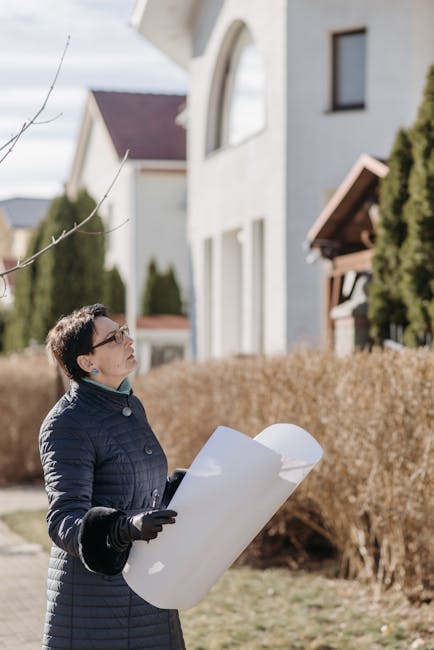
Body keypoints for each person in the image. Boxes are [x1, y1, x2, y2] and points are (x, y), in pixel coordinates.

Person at [39, 303, 186, 650]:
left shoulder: (129, 405)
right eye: (114, 338)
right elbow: (63, 520)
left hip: (147, 593)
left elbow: (133, 489)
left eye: (123, 332)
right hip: (94, 607)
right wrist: (123, 528)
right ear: (87, 362)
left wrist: (179, 489)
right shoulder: (67, 424)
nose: (128, 340)